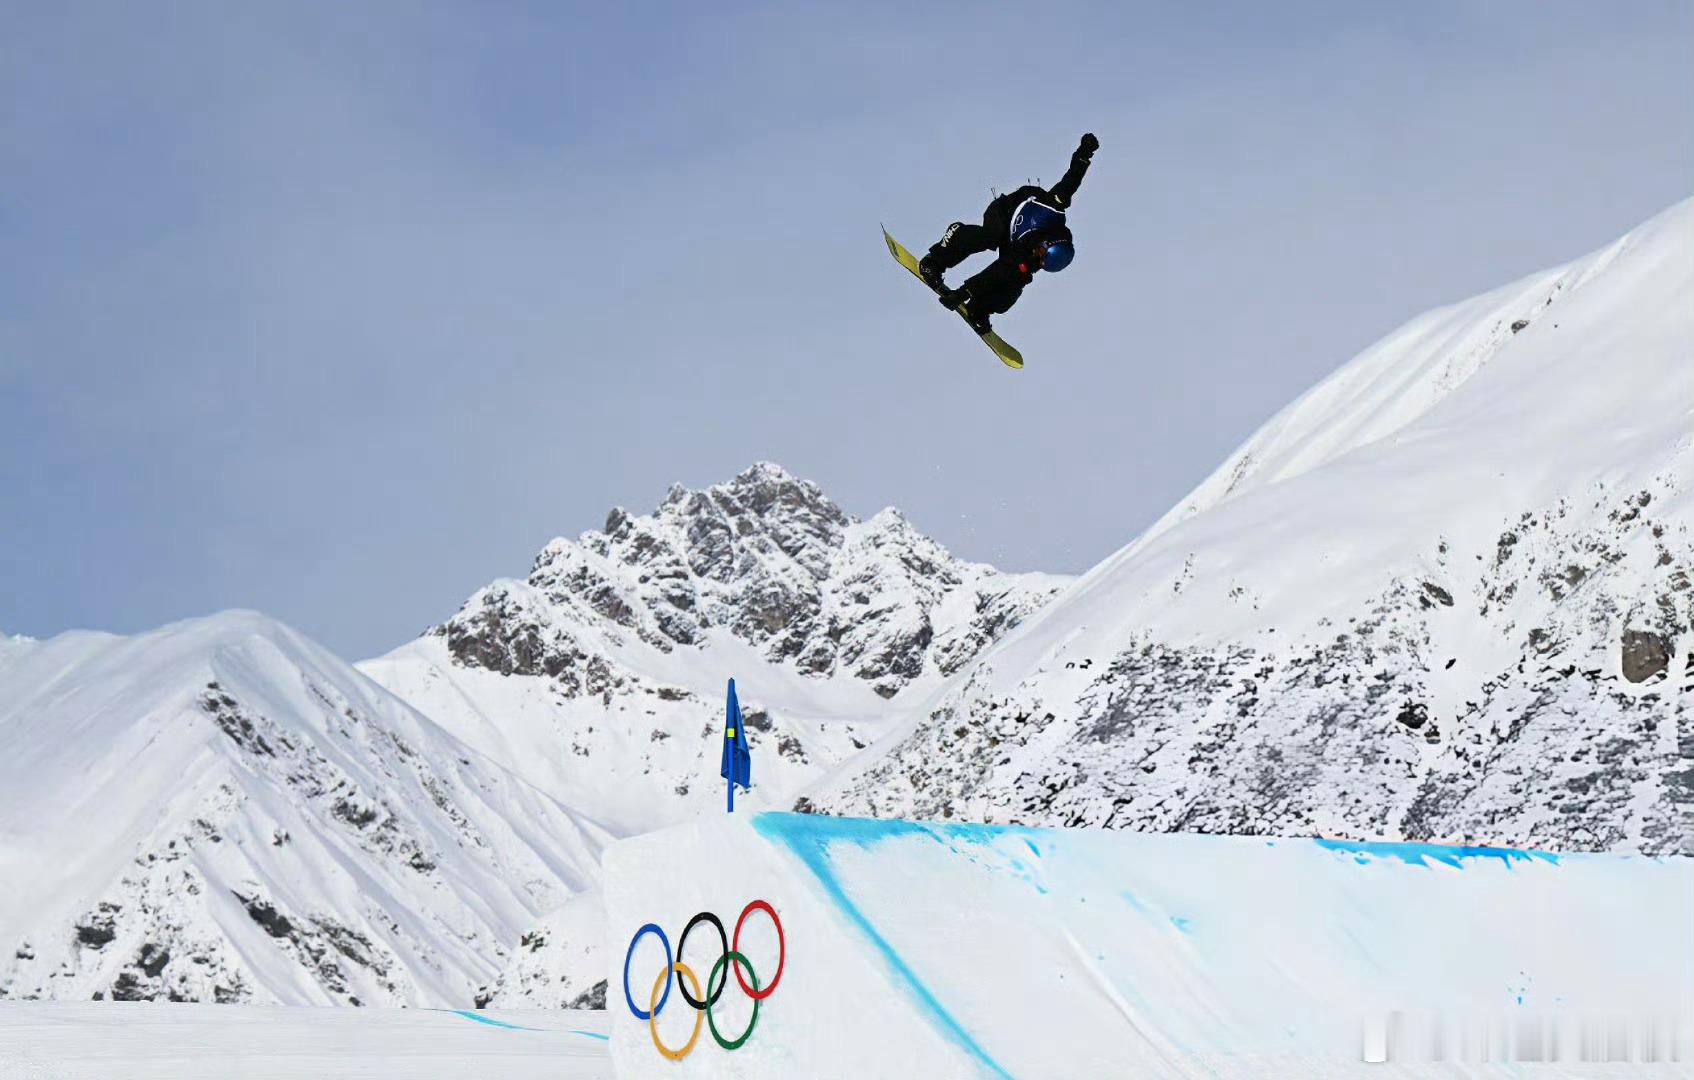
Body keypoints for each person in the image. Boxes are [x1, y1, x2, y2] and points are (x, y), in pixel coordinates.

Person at [918, 133, 1099, 334]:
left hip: (1015, 243)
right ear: (1046, 244)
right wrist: (1085, 151)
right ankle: (935, 261)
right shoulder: (1053, 208)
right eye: (1041, 256)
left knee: (1014, 284)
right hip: (1005, 213)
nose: (1037, 261)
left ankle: (979, 308)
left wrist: (966, 296)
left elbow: (1000, 271)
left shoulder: (1035, 259)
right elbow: (1073, 178)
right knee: (990, 237)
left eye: (1041, 263)